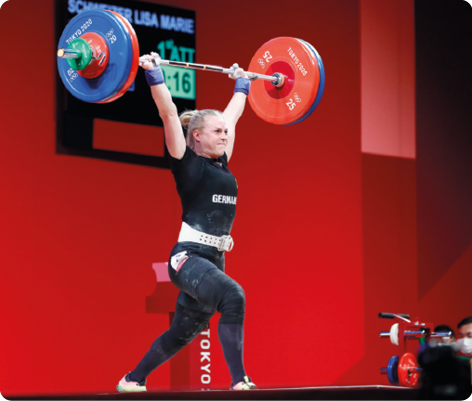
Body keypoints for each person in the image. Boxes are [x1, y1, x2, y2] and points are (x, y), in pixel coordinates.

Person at [116, 52, 256, 392]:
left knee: (183, 333)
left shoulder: (223, 162)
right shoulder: (187, 162)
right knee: (233, 296)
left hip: (213, 261)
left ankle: (132, 381)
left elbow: (234, 117)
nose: (225, 135)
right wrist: (154, 74)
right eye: (217, 131)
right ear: (196, 136)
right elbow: (167, 112)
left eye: (225, 131)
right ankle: (240, 382)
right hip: (187, 258)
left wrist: (243, 84)